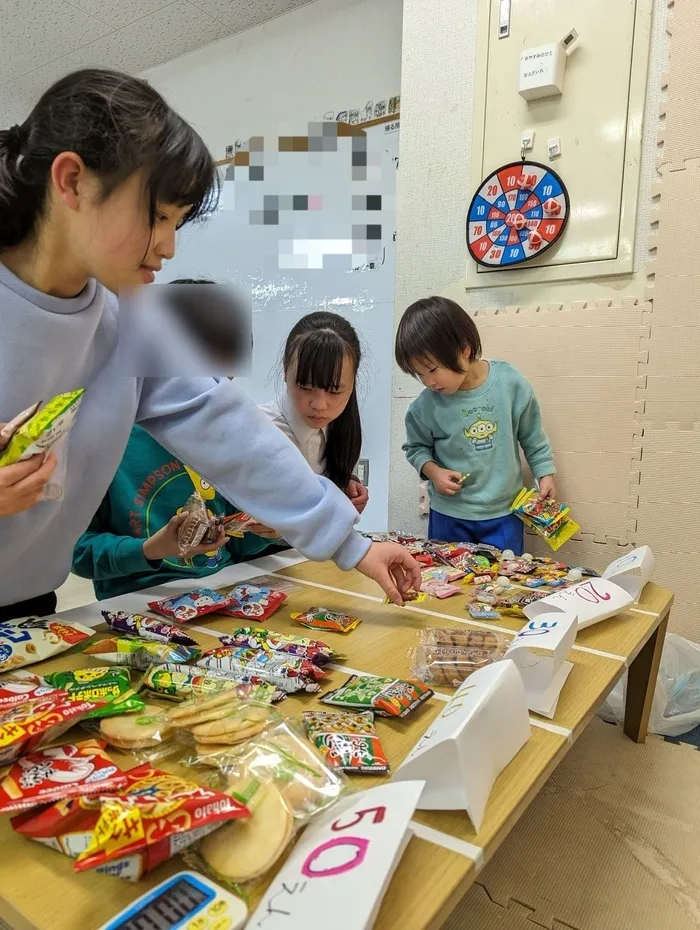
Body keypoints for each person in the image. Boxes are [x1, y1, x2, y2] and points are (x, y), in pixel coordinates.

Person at [0, 68, 420, 621]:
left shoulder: (128, 321)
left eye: (177, 222)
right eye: (157, 216)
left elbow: (231, 431)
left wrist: (352, 543)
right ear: (72, 181)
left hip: (26, 608)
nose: (168, 246)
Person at [72, 280, 274, 600]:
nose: (216, 395)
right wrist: (150, 549)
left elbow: (235, 540)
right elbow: (77, 551)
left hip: (223, 593)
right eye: (207, 379)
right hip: (138, 604)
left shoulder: (225, 431)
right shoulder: (106, 437)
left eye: (227, 381)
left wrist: (264, 530)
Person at [395, 296, 556, 553]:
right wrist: (434, 472)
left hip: (504, 513)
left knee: (504, 582)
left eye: (432, 369)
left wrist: (544, 473)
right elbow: (415, 448)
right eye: (419, 374)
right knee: (447, 583)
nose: (428, 382)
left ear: (464, 349)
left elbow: (532, 436)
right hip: (449, 514)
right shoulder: (424, 407)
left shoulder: (510, 384)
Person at [260, 312, 369, 517]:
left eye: (335, 391)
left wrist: (345, 487)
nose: (319, 405)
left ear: (353, 381)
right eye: (305, 387)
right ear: (285, 371)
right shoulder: (261, 430)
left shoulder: (340, 428)